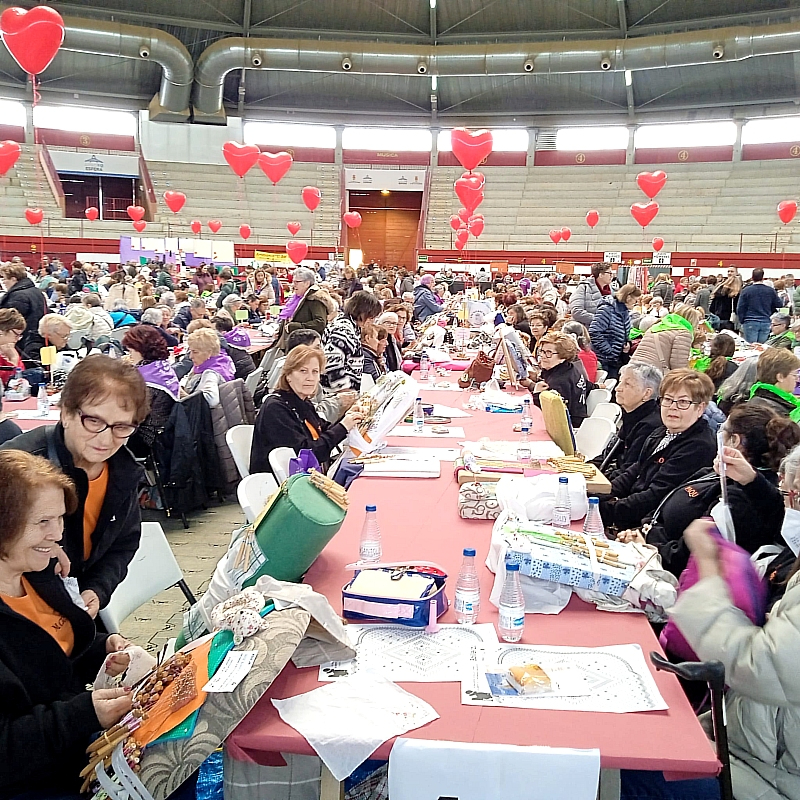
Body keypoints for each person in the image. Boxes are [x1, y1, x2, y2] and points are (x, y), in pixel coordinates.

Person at [0, 450, 135, 798]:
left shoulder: (38, 574)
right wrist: (83, 715)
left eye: (60, 519)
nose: (58, 534)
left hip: (74, 750)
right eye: (43, 522)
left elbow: (56, 654)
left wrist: (102, 649)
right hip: (34, 780)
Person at [664, 508, 800, 800]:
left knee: (629, 775)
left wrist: (709, 566)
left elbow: (759, 667)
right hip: (746, 749)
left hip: (767, 779)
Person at [0, 355, 148, 616]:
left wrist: (97, 589)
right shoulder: (20, 465)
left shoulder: (123, 470)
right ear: (66, 412)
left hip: (74, 611)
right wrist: (30, 547)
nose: (106, 439)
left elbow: (124, 543)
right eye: (94, 421)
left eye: (121, 427)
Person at [618, 404, 799, 576]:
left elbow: (687, 558)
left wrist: (646, 547)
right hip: (646, 548)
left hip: (664, 573)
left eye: (721, 430)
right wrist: (640, 532)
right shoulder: (713, 474)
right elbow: (661, 504)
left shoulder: (735, 498)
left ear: (734, 441)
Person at [598, 369, 716, 531]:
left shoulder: (698, 446)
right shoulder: (661, 432)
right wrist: (597, 494)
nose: (673, 408)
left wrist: (602, 511)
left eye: (683, 402)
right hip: (628, 512)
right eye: (668, 399)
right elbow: (634, 472)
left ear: (700, 408)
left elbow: (656, 496)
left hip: (645, 526)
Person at [250, 344, 364, 474]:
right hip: (283, 487)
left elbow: (323, 429)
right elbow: (308, 455)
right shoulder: (275, 408)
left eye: (315, 372)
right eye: (303, 371)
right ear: (288, 375)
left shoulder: (302, 402)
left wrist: (350, 417)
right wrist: (343, 426)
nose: (310, 378)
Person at [592, 362, 663, 479]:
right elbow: (609, 454)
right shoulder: (631, 415)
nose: (618, 388)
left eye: (627, 384)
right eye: (620, 382)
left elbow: (629, 469)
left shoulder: (650, 425)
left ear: (647, 394)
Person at [121, 325, 180, 455]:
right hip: (163, 432)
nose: (129, 354)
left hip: (147, 439)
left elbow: (132, 416)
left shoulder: (147, 384)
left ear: (139, 349)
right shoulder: (162, 368)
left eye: (131, 351)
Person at [524, 332, 589, 427]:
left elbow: (548, 414)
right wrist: (534, 381)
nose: (542, 355)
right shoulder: (570, 368)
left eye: (548, 353)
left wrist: (536, 393)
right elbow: (588, 385)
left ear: (563, 356)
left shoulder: (560, 381)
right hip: (578, 419)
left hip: (569, 427)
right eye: (542, 351)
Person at [322, 291, 382, 391]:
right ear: (363, 313)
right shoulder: (344, 331)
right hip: (336, 395)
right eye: (371, 317)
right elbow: (331, 362)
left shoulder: (346, 325)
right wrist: (345, 391)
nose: (372, 321)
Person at [588, 284, 641, 380]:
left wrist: (627, 343)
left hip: (615, 359)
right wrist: (609, 351)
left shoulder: (624, 312)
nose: (636, 303)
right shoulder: (606, 309)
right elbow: (594, 332)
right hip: (604, 359)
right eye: (635, 300)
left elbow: (624, 332)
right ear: (628, 297)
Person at [272, 266, 328, 353]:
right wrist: (280, 330)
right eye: (293, 282)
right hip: (295, 345)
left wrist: (296, 326)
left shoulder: (314, 299)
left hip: (306, 347)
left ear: (307, 283)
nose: (293, 285)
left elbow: (320, 323)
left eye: (296, 282)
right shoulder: (296, 298)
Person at [630, 304, 699, 372]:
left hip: (633, 368)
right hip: (651, 374)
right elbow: (678, 366)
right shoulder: (683, 333)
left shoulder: (658, 326)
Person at [180, 327, 235, 408]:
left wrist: (184, 396)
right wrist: (181, 386)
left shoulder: (210, 373)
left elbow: (212, 400)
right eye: (190, 351)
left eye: (195, 352)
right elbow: (188, 376)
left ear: (209, 352)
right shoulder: (221, 360)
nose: (191, 356)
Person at [0, 262, 46, 356]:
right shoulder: (35, 291)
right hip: (33, 339)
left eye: (4, 278)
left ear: (13, 279)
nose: (3, 282)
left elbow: (9, 321)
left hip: (21, 342)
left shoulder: (18, 296)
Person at [747, 347, 800, 421]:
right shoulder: (777, 414)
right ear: (780, 377)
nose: (797, 379)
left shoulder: (760, 393)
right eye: (794, 375)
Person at [737, 268, 781, 343]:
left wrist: (742, 320)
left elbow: (740, 308)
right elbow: (779, 304)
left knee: (751, 347)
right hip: (765, 321)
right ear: (763, 277)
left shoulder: (746, 290)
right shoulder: (770, 290)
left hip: (750, 321)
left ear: (752, 277)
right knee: (762, 347)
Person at [568, 262, 613, 327]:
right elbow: (576, 312)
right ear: (601, 275)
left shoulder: (612, 291)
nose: (612, 276)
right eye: (609, 273)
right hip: (586, 331)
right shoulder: (583, 288)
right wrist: (599, 319)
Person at [213, 314, 256, 379]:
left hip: (241, 386)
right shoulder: (237, 345)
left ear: (222, 333)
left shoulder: (225, 350)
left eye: (212, 330)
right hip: (249, 384)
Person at [709, 267, 742, 331]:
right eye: (728, 271)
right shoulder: (737, 293)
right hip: (730, 321)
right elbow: (738, 309)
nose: (729, 273)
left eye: (731, 271)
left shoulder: (718, 290)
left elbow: (711, 308)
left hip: (717, 319)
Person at [0, 308, 24, 386]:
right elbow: (7, 380)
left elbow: (22, 374)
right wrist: (13, 359)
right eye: (16, 334)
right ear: (2, 331)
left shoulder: (9, 348)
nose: (17, 339)